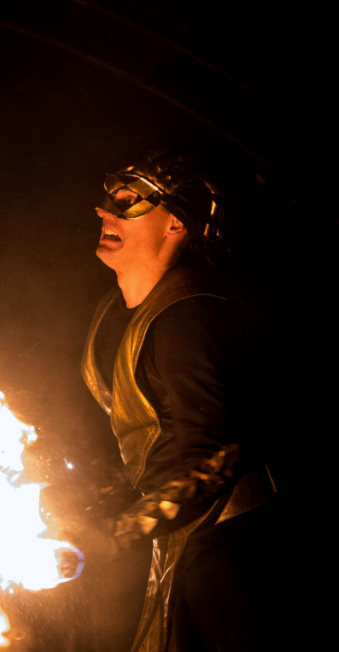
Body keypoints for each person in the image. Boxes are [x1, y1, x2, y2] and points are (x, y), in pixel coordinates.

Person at [78, 151, 277, 652]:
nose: (104, 210)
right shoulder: (113, 313)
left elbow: (214, 456)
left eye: (128, 201)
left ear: (176, 223)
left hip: (229, 546)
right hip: (177, 533)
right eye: (108, 199)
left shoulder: (189, 319)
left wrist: (124, 527)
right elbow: (149, 435)